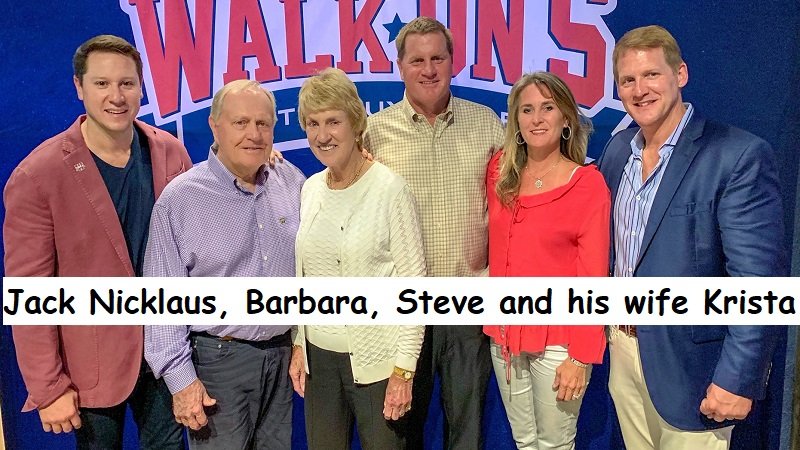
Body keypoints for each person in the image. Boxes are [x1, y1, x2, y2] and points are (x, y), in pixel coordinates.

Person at [596, 25, 786, 449]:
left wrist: (738, 379)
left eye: (651, 75)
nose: (639, 90)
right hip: (624, 353)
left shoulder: (736, 155)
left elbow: (760, 284)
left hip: (695, 372)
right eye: (628, 80)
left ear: (680, 74)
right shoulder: (617, 152)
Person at [3, 34, 191, 449]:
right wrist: (48, 386)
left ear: (141, 87)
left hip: (167, 356)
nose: (116, 96)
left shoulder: (170, 153)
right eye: (102, 84)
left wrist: (263, 162)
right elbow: (28, 291)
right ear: (79, 88)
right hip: (90, 370)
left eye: (126, 83)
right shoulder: (38, 176)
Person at [363, 17, 505, 450]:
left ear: (452, 62)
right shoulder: (375, 133)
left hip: (468, 307)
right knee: (400, 433)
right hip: (402, 314)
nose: (428, 69)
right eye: (417, 60)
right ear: (400, 66)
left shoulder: (487, 126)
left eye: (437, 58)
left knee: (468, 432)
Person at [143, 79, 305, 449]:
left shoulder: (290, 180)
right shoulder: (181, 199)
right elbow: (161, 301)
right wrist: (181, 381)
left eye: (263, 124)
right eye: (241, 123)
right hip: (218, 362)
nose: (254, 134)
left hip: (282, 358)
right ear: (215, 125)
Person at [288, 67, 426, 450]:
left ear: (356, 122)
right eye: (312, 123)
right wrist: (299, 341)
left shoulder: (390, 190)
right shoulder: (310, 189)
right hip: (319, 363)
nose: (322, 135)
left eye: (333, 121)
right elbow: (306, 279)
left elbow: (414, 288)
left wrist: (404, 370)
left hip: (378, 363)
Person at [484, 72, 609, 450]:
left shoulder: (586, 185)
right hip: (504, 336)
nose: (537, 118)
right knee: (524, 442)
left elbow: (593, 278)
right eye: (527, 110)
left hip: (559, 343)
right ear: (516, 122)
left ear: (566, 119)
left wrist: (581, 357)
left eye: (548, 108)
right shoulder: (499, 172)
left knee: (554, 445)